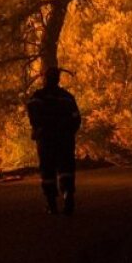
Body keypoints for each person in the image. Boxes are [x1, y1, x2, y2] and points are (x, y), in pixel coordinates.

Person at [26, 67, 82, 215]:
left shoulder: (37, 97)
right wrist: (69, 131)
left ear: (45, 79)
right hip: (65, 138)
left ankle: (51, 204)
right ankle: (68, 196)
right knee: (66, 168)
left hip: (46, 139)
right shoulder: (67, 97)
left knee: (47, 170)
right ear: (58, 79)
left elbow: (32, 115)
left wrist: (39, 129)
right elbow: (76, 118)